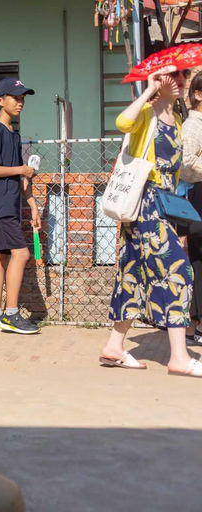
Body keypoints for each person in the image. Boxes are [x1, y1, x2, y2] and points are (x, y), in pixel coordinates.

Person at [101, 65, 200, 377]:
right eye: (175, 75)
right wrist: (147, 91)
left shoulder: (179, 119)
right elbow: (121, 123)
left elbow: (178, 168)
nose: (181, 81)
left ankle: (114, 347)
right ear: (160, 80)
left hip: (163, 205)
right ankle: (179, 358)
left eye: (184, 75)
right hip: (144, 204)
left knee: (132, 273)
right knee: (179, 271)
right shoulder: (147, 112)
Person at [0, 78, 41, 334]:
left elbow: (21, 177)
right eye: (15, 97)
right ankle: (11, 314)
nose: (20, 102)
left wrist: (33, 205)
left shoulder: (13, 135)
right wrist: (21, 169)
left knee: (0, 256)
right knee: (22, 253)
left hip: (7, 203)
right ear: (0, 100)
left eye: (23, 98)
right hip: (0, 203)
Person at [180, 71, 202, 346]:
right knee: (198, 260)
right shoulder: (193, 126)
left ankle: (195, 324)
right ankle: (194, 325)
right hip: (199, 194)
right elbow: (186, 163)